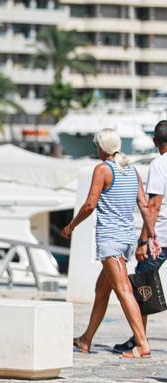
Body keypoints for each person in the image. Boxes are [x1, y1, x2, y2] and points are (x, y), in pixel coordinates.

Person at [63, 128, 161, 359]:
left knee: (124, 290)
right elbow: (144, 205)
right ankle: (86, 339)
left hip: (111, 242)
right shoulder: (131, 169)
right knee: (102, 290)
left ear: (100, 148)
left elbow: (89, 205)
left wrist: (71, 226)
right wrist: (151, 235)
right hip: (126, 240)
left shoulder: (103, 169)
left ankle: (142, 344)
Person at [112, 120, 167, 352]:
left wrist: (144, 240)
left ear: (155, 141)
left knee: (143, 286)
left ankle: (139, 338)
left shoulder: (160, 164)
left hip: (161, 237)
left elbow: (153, 205)